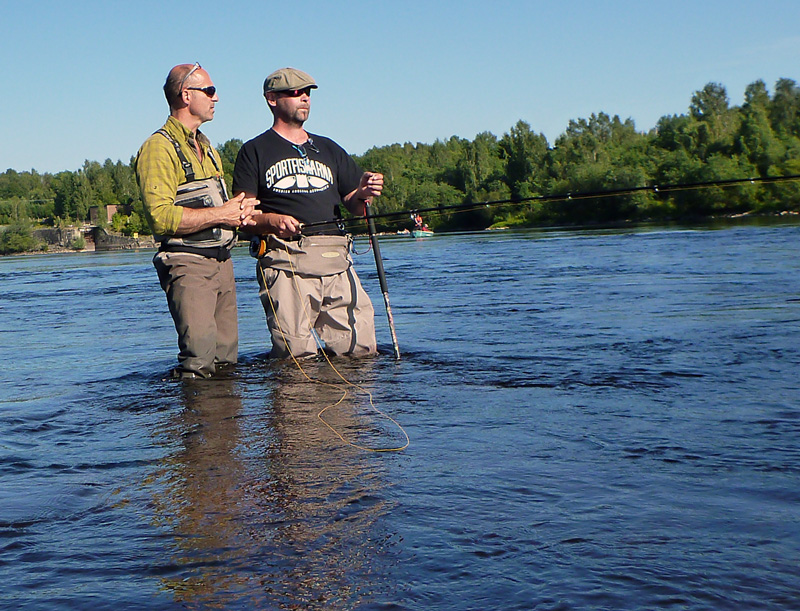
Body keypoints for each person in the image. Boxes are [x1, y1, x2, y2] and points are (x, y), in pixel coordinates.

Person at [233, 67, 383, 359]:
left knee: (361, 352)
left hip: (337, 262)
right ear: (271, 99)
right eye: (294, 93)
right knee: (296, 358)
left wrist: (364, 193)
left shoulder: (329, 148)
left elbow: (354, 204)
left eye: (307, 93)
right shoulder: (254, 151)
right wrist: (273, 222)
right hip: (286, 263)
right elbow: (244, 215)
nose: (304, 99)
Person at [135, 63, 258, 379]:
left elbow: (220, 209)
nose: (216, 98)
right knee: (199, 361)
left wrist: (241, 214)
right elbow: (161, 219)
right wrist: (222, 214)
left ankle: (225, 427)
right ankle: (196, 426)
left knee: (227, 360)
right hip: (188, 265)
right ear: (186, 95)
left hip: (223, 264)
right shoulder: (158, 148)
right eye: (210, 91)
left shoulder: (207, 146)